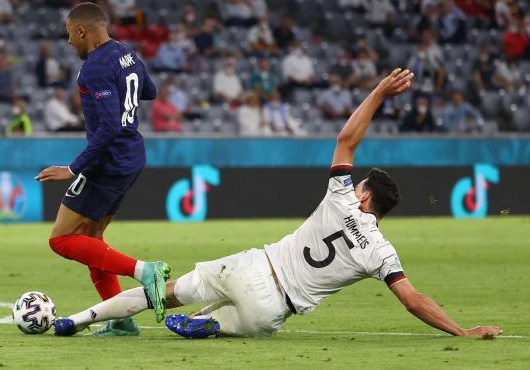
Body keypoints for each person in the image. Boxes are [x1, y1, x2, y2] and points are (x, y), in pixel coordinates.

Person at [53, 68, 502, 340]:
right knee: (246, 321)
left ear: (364, 195)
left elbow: (346, 139)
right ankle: (217, 324)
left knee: (165, 294)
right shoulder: (382, 253)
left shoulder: (341, 198)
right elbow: (412, 300)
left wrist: (380, 92)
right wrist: (462, 330)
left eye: (360, 185)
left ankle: (79, 320)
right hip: (272, 310)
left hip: (254, 267)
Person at [34, 3, 170, 336]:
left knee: (62, 239)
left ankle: (144, 271)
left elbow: (109, 128)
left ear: (82, 31)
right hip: (131, 157)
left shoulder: (94, 67)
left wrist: (72, 169)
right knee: (92, 241)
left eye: (69, 34)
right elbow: (149, 91)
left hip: (106, 163)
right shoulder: (126, 53)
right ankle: (121, 320)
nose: (69, 42)